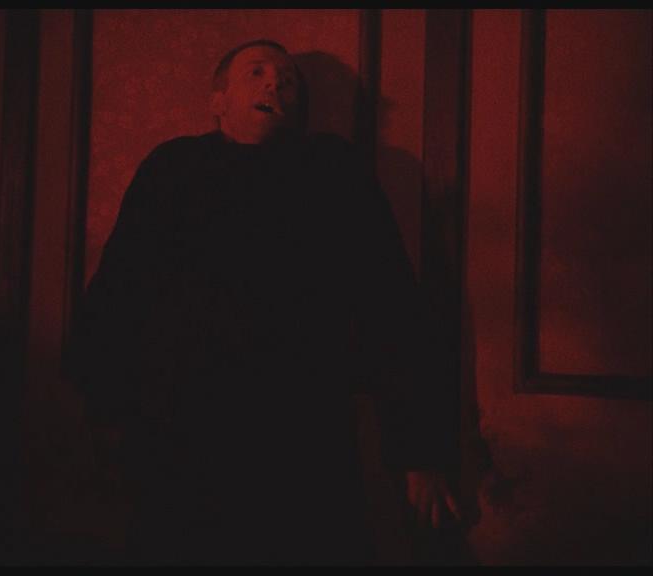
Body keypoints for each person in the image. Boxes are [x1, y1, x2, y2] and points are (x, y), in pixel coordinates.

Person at [64, 39, 461, 565]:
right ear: (218, 100)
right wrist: (104, 410)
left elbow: (389, 303)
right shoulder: (173, 168)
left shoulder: (332, 170)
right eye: (256, 71)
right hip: (183, 423)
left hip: (301, 428)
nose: (275, 83)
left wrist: (419, 451)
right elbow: (121, 287)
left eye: (288, 80)